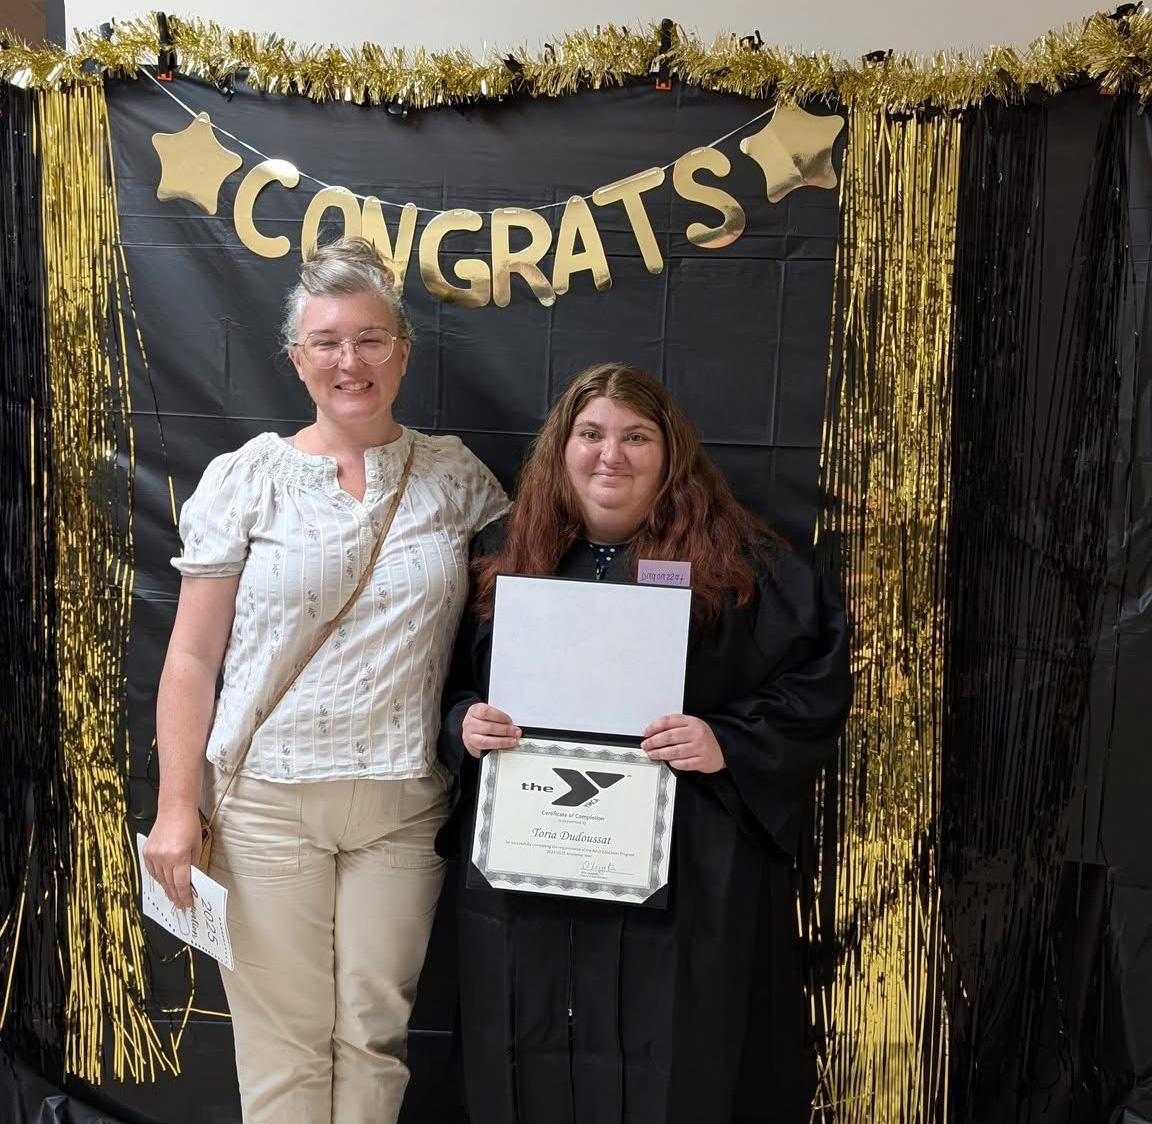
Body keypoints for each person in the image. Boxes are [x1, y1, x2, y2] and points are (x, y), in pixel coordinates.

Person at [142, 237, 508, 1124]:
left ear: (403, 353)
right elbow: (191, 657)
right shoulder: (246, 480)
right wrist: (177, 806)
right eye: (328, 342)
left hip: (402, 808)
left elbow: (527, 599)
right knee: (285, 1050)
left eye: (372, 339)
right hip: (267, 806)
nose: (352, 362)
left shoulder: (455, 475)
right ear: (296, 359)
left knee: (374, 1040)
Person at [438, 362, 852, 1124]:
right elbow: (447, 682)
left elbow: (816, 683)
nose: (611, 455)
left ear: (671, 453)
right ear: (562, 448)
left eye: (636, 437)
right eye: (591, 434)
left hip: (680, 870)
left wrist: (727, 740)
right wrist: (464, 722)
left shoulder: (740, 564)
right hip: (535, 864)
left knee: (675, 1059)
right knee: (525, 1051)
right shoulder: (505, 553)